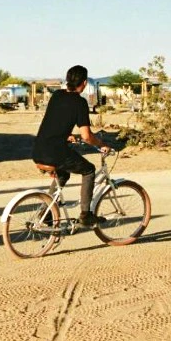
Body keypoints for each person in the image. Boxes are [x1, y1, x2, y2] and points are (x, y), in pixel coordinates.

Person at [32, 65, 112, 226]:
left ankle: (46, 212)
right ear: (83, 83)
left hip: (38, 150)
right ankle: (86, 214)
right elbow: (87, 136)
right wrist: (102, 144)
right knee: (89, 170)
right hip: (55, 152)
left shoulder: (57, 95)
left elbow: (55, 121)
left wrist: (67, 135)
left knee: (63, 174)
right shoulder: (80, 102)